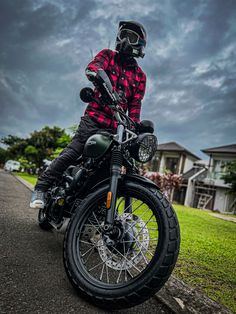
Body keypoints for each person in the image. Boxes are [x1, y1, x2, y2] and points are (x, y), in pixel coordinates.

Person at [30, 20, 147, 209]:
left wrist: (135, 125)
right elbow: (93, 68)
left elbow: (135, 106)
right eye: (123, 35)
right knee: (73, 151)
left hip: (116, 128)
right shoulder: (107, 55)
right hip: (93, 119)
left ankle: (95, 209)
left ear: (140, 44)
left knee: (116, 167)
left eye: (131, 37)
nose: (125, 40)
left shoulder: (140, 76)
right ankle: (42, 187)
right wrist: (101, 79)